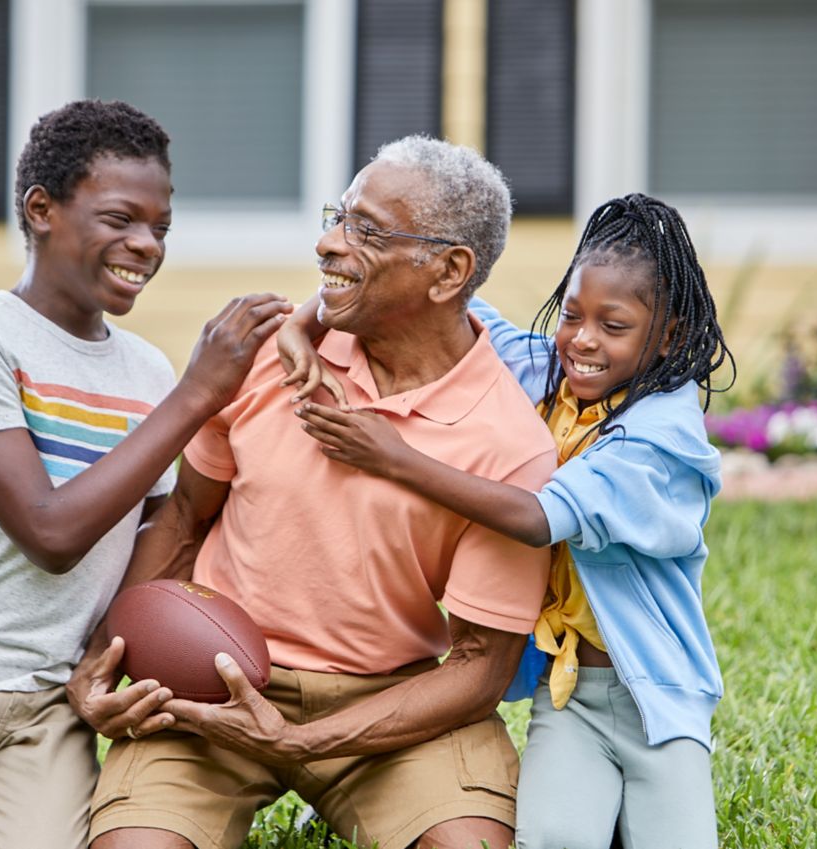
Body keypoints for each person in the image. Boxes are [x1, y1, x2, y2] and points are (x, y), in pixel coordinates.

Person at [66, 136, 559, 849]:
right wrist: (102, 660)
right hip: (209, 679)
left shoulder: (508, 446)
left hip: (392, 705)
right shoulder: (267, 354)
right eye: (338, 216)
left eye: (366, 230)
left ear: (448, 270)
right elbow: (182, 520)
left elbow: (480, 666)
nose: (328, 243)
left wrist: (305, 739)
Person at [0, 100, 291, 849]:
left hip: (53, 700)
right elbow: (49, 532)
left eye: (161, 227)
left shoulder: (146, 370)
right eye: (120, 219)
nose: (145, 245)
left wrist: (113, 661)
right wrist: (197, 394)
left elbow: (152, 537)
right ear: (41, 210)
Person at [285, 193, 736, 849]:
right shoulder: (551, 374)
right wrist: (308, 318)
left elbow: (535, 517)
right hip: (569, 691)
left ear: (664, 335)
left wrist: (394, 459)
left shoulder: (661, 437)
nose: (581, 339)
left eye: (612, 326)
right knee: (552, 838)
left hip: (656, 698)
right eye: (572, 315)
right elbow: (439, 305)